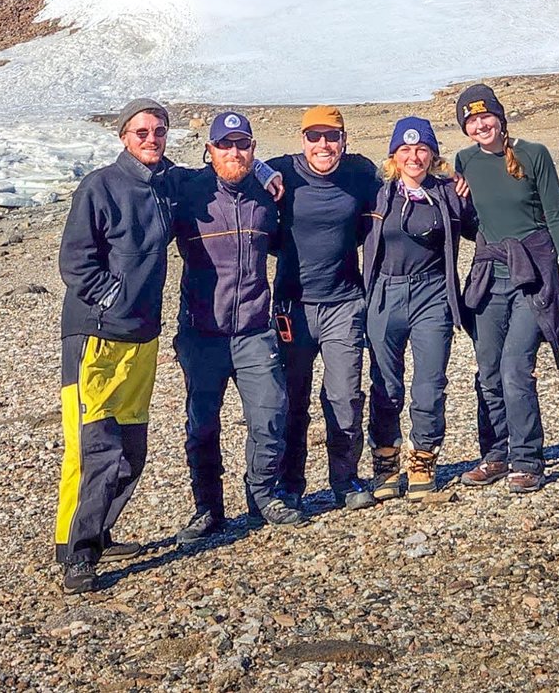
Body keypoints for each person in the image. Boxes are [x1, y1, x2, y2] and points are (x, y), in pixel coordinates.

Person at [55, 99, 285, 593]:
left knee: (132, 449)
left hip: (142, 338)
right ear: (123, 136)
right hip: (95, 336)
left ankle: (98, 531)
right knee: (97, 446)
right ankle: (77, 555)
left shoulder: (168, 184)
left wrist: (263, 169)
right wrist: (111, 296)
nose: (151, 138)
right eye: (141, 131)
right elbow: (74, 260)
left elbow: (235, 166)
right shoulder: (101, 185)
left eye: (158, 130)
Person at [172, 111, 306, 543]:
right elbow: (150, 172)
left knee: (269, 415)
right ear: (209, 151)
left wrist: (264, 170)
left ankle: (263, 496)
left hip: (254, 329)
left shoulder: (268, 194)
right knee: (202, 423)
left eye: (243, 144)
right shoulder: (189, 190)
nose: (235, 152)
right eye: (225, 145)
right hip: (201, 331)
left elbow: (304, 165)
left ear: (253, 148)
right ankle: (207, 508)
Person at [453, 84, 559, 495]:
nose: (480, 125)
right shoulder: (465, 161)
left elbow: (557, 215)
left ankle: (527, 460)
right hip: (490, 274)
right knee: (488, 370)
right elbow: (472, 224)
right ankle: (496, 454)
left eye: (485, 116)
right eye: (471, 120)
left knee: (514, 366)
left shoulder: (533, 154)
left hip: (535, 272)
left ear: (500, 117)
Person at [269, 106, 380, 512]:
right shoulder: (283, 170)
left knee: (345, 396)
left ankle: (345, 478)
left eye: (331, 136)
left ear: (343, 139)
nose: (323, 145)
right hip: (292, 306)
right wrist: (265, 175)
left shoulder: (359, 173)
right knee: (291, 398)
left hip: (343, 304)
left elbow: (401, 180)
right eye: (314, 136)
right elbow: (240, 171)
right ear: (302, 140)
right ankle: (289, 484)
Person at [363, 117, 475, 501]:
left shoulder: (449, 192)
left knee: (429, 384)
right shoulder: (377, 194)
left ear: (433, 154)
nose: (414, 157)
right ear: (394, 155)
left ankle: (424, 459)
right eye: (406, 150)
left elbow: (483, 224)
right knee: (386, 384)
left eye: (422, 149)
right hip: (385, 293)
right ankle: (387, 461)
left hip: (433, 296)